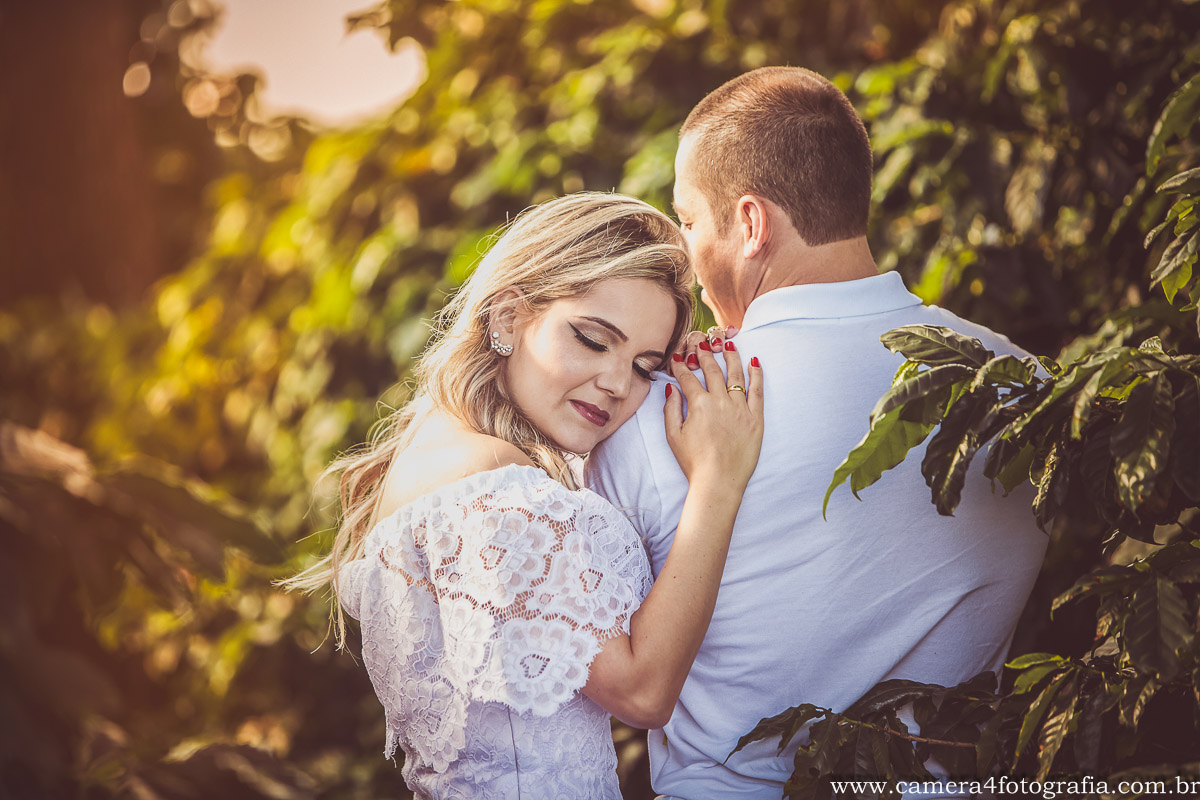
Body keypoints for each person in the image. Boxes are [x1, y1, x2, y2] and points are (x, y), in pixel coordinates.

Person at [586, 67, 1048, 799]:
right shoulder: (1026, 386)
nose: (684, 250)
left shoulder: (665, 409)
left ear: (750, 224)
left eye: (689, 219)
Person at [285, 192, 765, 799]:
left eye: (646, 365)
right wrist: (718, 480)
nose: (618, 383)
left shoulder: (438, 454)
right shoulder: (493, 483)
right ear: (509, 317)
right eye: (593, 340)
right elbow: (644, 692)